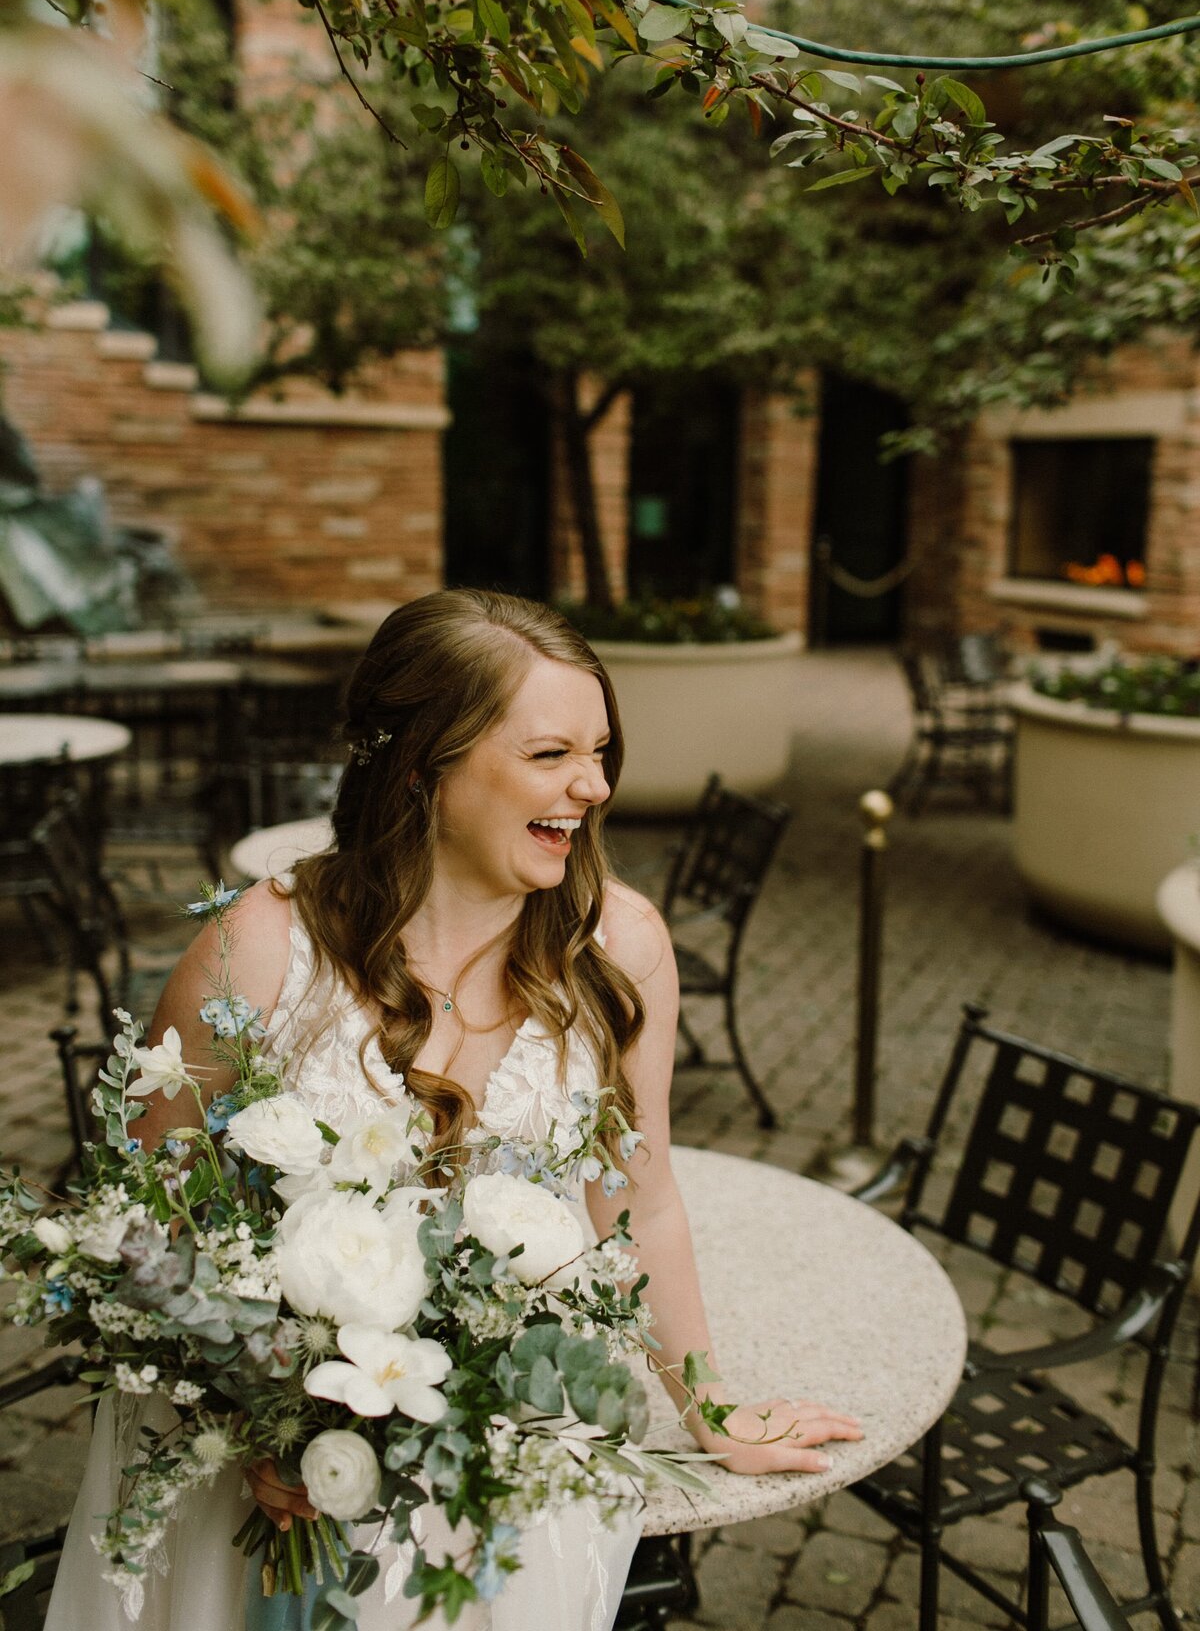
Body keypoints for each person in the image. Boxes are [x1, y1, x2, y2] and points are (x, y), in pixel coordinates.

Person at [46, 590, 861, 1631]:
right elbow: (143, 1217)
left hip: (496, 1477)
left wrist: (705, 1400)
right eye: (551, 752)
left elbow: (638, 1198)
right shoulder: (263, 947)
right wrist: (255, 1413)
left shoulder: (621, 951)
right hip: (261, 1478)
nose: (594, 784)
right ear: (423, 766)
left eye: (601, 749)